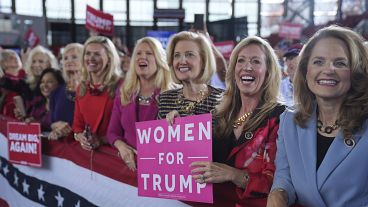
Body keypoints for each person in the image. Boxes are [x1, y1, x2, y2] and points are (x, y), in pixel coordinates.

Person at [267, 25, 368, 207]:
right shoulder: (289, 122)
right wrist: (278, 194)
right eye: (318, 62)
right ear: (306, 71)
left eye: (340, 63)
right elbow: (285, 176)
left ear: (356, 73)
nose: (328, 70)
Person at [190, 36, 285, 207]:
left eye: (256, 61)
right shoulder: (219, 114)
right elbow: (190, 159)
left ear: (268, 72)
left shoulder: (280, 117)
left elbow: (281, 184)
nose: (247, 67)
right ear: (234, 70)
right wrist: (173, 122)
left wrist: (234, 175)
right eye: (241, 61)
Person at [107, 37, 172, 171]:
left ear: (159, 60)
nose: (142, 57)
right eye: (138, 53)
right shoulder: (124, 91)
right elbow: (112, 132)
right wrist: (121, 147)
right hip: (128, 169)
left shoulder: (173, 94)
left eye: (149, 53)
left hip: (160, 172)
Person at [158, 31, 223, 121]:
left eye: (190, 55)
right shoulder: (165, 100)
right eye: (177, 55)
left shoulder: (222, 99)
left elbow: (228, 134)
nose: (182, 61)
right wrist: (173, 126)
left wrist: (184, 124)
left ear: (204, 61)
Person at [73, 36, 121, 151]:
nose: (91, 58)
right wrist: (81, 137)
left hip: (114, 153)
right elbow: (77, 126)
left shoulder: (122, 86)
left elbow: (125, 128)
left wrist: (101, 140)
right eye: (88, 53)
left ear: (109, 58)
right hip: (89, 155)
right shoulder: (81, 88)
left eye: (97, 54)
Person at [48, 43, 83, 140]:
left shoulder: (91, 91)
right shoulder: (56, 92)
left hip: (83, 147)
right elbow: (51, 122)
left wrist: (68, 130)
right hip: (61, 148)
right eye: (66, 58)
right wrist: (56, 126)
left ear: (85, 60)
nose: (69, 61)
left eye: (74, 57)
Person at [0, 49, 26, 118]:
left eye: (16, 57)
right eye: (11, 58)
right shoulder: (4, 81)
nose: (15, 59)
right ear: (4, 63)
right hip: (10, 114)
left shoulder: (25, 76)